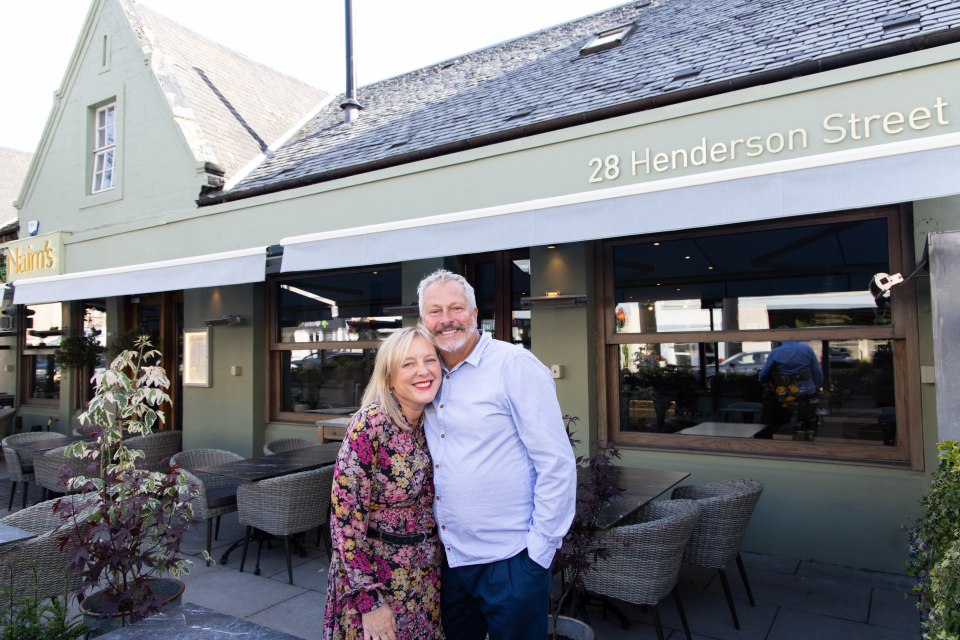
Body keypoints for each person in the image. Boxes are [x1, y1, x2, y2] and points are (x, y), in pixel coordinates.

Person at [416, 269, 578, 640]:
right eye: (435, 311)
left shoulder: (513, 365)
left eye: (456, 308)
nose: (446, 320)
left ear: (474, 313)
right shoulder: (426, 374)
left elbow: (556, 462)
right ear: (423, 321)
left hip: (511, 561)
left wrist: (539, 552)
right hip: (450, 560)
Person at [323, 326, 445, 640]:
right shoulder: (369, 425)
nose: (423, 371)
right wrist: (370, 602)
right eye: (409, 364)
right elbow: (345, 523)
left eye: (430, 360)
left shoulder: (430, 422)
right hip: (380, 580)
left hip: (424, 578)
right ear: (389, 377)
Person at [756, 337, 824, 439]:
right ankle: (809, 439)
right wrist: (818, 387)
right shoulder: (807, 349)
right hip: (807, 392)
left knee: (785, 423)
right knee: (808, 421)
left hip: (787, 394)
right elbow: (817, 372)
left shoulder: (776, 352)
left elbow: (762, 376)